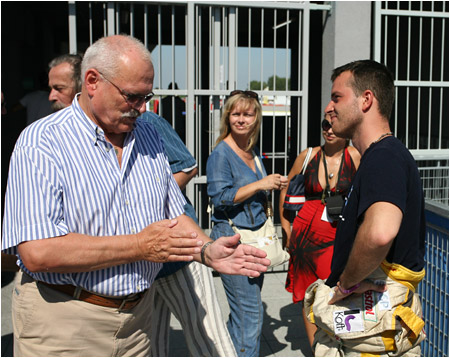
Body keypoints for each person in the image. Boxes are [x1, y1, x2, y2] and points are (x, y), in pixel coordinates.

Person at [1, 35, 270, 357]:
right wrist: (140, 246)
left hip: (137, 323)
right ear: (92, 81)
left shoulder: (148, 134)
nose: (142, 108)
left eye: (147, 97)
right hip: (65, 322)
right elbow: (36, 252)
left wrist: (206, 249)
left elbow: (173, 213)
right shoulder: (42, 142)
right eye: (132, 97)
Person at [307, 60, 426, 356]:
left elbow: (380, 233)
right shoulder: (379, 156)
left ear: (366, 100)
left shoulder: (383, 157)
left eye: (337, 97)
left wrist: (346, 284)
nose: (328, 108)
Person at [141, 111, 236, 356]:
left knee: (209, 339)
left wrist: (145, 200)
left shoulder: (148, 121)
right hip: (143, 257)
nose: (53, 96)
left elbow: (187, 166)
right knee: (150, 344)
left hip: (180, 250)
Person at [206, 90, 288, 357]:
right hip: (233, 239)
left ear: (256, 118)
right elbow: (219, 197)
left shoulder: (250, 152)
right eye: (236, 113)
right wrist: (260, 184)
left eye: (248, 114)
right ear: (227, 116)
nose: (241, 119)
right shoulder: (222, 154)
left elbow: (253, 192)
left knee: (243, 314)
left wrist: (272, 184)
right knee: (250, 316)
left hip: (254, 239)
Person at [279, 113, 360, 348]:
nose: (329, 129)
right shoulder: (309, 156)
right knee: (308, 294)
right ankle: (317, 348)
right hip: (305, 236)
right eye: (325, 124)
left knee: (342, 289)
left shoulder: (354, 155)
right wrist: (287, 229)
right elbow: (285, 189)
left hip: (339, 233)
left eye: (334, 125)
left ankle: (342, 344)